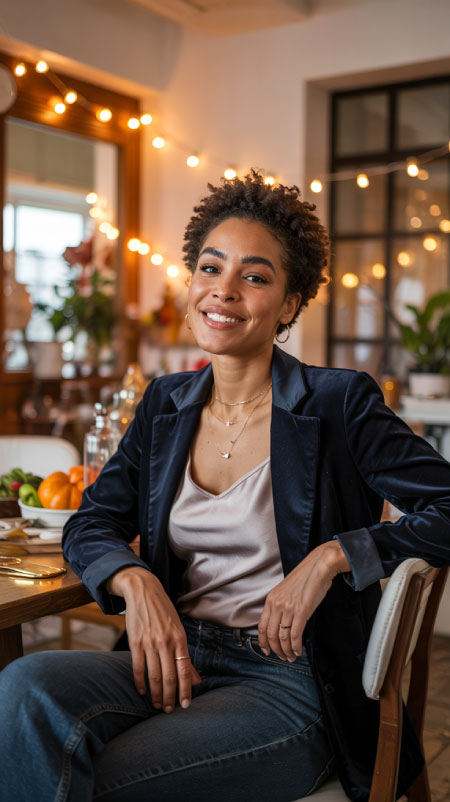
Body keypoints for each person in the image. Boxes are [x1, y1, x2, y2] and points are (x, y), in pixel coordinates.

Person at [1, 170, 450, 802]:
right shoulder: (163, 403)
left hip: (291, 682)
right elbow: (91, 521)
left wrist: (334, 555)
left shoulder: (336, 402)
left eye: (256, 276)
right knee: (22, 690)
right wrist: (136, 582)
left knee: (85, 776)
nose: (225, 291)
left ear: (289, 305)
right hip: (170, 657)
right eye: (211, 268)